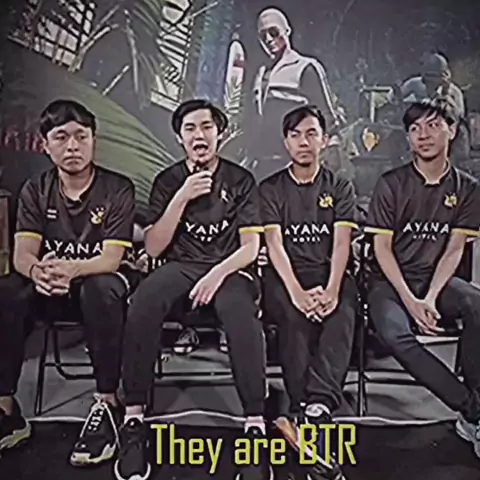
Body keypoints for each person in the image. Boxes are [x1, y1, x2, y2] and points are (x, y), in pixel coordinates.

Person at [115, 99, 270, 480]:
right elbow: (154, 248)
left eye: (206, 127)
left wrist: (216, 274)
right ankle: (134, 417)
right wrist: (182, 196)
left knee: (240, 313)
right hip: (180, 265)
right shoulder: (167, 181)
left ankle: (254, 423)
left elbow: (251, 248)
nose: (199, 135)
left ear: (220, 133)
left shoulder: (240, 180)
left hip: (229, 268)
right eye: (190, 128)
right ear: (179, 138)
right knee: (143, 301)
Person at [0, 99, 137, 465]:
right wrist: (38, 273)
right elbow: (23, 253)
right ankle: (6, 408)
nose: (72, 146)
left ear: (94, 141)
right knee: (8, 291)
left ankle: (107, 403)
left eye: (81, 136)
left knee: (101, 287)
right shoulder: (36, 189)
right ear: (45, 145)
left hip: (97, 285)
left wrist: (69, 270)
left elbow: (111, 258)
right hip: (52, 286)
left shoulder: (117, 188)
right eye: (61, 137)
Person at [366, 99, 480, 458]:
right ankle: (472, 409)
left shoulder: (467, 188)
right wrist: (411, 302)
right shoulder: (391, 184)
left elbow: (454, 248)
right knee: (394, 333)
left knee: (476, 304)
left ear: (452, 130)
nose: (423, 135)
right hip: (389, 282)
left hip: (436, 280)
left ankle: (474, 415)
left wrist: (430, 298)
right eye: (414, 129)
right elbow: (382, 249)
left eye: (432, 125)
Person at [259, 105, 357, 478]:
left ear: (324, 140)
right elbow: (274, 245)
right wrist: (298, 292)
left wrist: (331, 289)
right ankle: (302, 403)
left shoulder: (340, 186)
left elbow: (341, 244)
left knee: (343, 310)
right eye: (296, 135)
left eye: (311, 133)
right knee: (292, 314)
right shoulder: (270, 188)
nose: (304, 142)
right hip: (286, 275)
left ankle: (318, 407)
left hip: (327, 270)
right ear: (286, 142)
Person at [246, 7, 344, 181]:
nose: (268, 39)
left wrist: (330, 149)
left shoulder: (305, 67)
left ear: (287, 31)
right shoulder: (260, 74)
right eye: (263, 35)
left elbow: (326, 114)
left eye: (274, 32)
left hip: (294, 163)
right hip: (263, 164)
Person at [401, 53, 470, 168]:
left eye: (435, 81)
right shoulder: (413, 85)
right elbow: (394, 98)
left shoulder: (453, 92)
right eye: (429, 81)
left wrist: (445, 101)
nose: (432, 84)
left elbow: (459, 115)